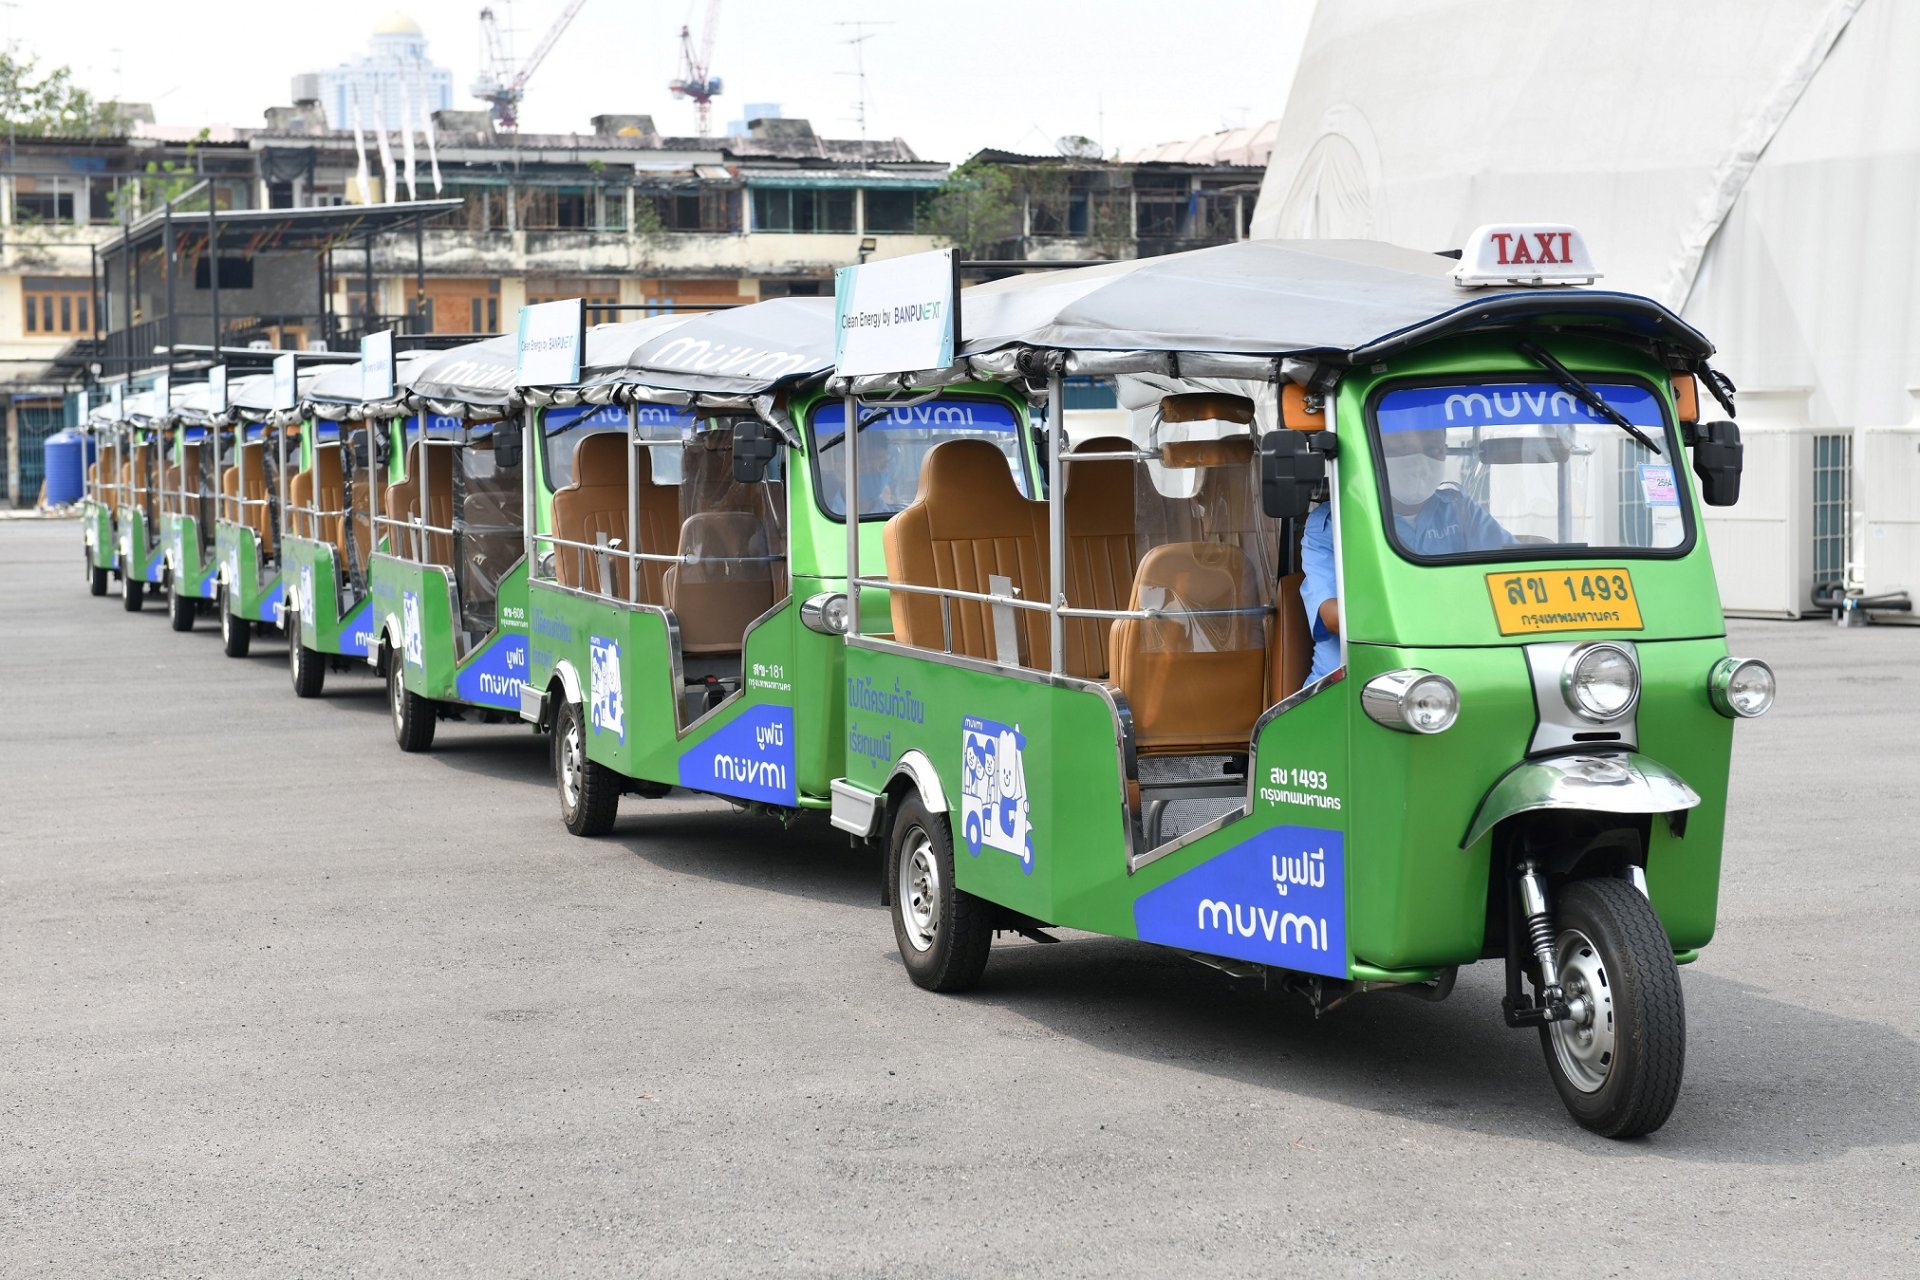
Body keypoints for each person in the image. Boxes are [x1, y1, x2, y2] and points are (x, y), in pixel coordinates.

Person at [1300, 426, 1512, 684]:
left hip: (1453, 674)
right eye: (1403, 449)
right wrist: (1451, 606)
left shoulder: (1459, 509)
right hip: (1350, 681)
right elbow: (1333, 617)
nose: (1420, 461)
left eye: (1433, 449)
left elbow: (1514, 569)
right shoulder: (1332, 522)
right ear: (1376, 452)